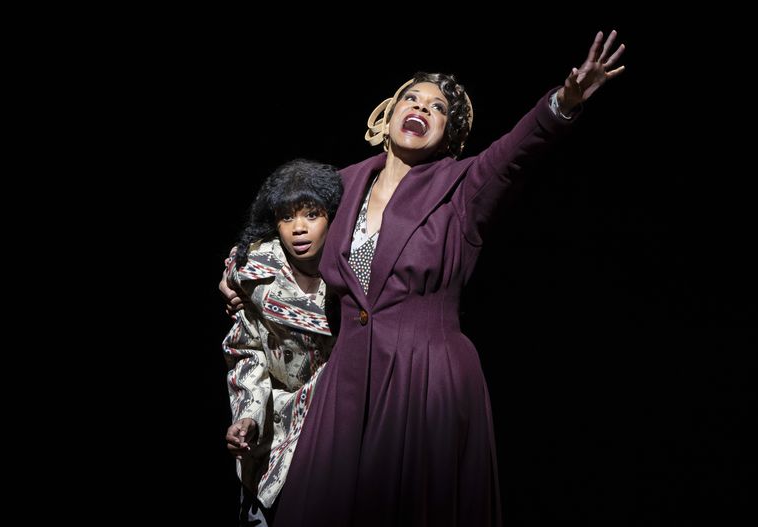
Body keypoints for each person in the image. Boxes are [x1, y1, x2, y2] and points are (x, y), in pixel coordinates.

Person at [220, 29, 625, 526]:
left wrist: (563, 101)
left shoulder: (461, 186)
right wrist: (239, 272)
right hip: (346, 381)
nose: (422, 107)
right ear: (388, 115)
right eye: (411, 98)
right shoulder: (341, 184)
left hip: (425, 376)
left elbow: (516, 152)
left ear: (447, 134)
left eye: (437, 108)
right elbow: (280, 222)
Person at [221, 159, 342, 526]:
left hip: (337, 430)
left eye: (311, 214)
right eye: (287, 217)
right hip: (275, 435)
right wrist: (248, 416)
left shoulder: (352, 277)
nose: (299, 228)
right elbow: (247, 350)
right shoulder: (256, 276)